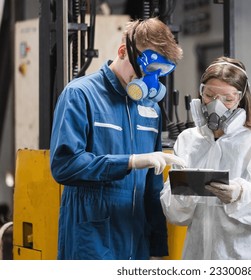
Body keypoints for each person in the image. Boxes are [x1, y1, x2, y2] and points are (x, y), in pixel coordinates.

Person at [49, 17, 186, 260]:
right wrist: (130, 161)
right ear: (123, 51)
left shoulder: (150, 110)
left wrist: (156, 249)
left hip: (136, 242)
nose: (150, 80)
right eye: (147, 69)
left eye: (159, 73)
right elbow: (64, 166)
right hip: (90, 241)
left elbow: (152, 189)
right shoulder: (80, 95)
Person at [160, 56, 251, 260]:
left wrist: (240, 195)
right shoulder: (188, 140)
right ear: (200, 92)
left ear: (240, 99)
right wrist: (186, 192)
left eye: (227, 99)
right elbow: (174, 213)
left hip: (244, 259)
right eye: (209, 95)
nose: (216, 105)